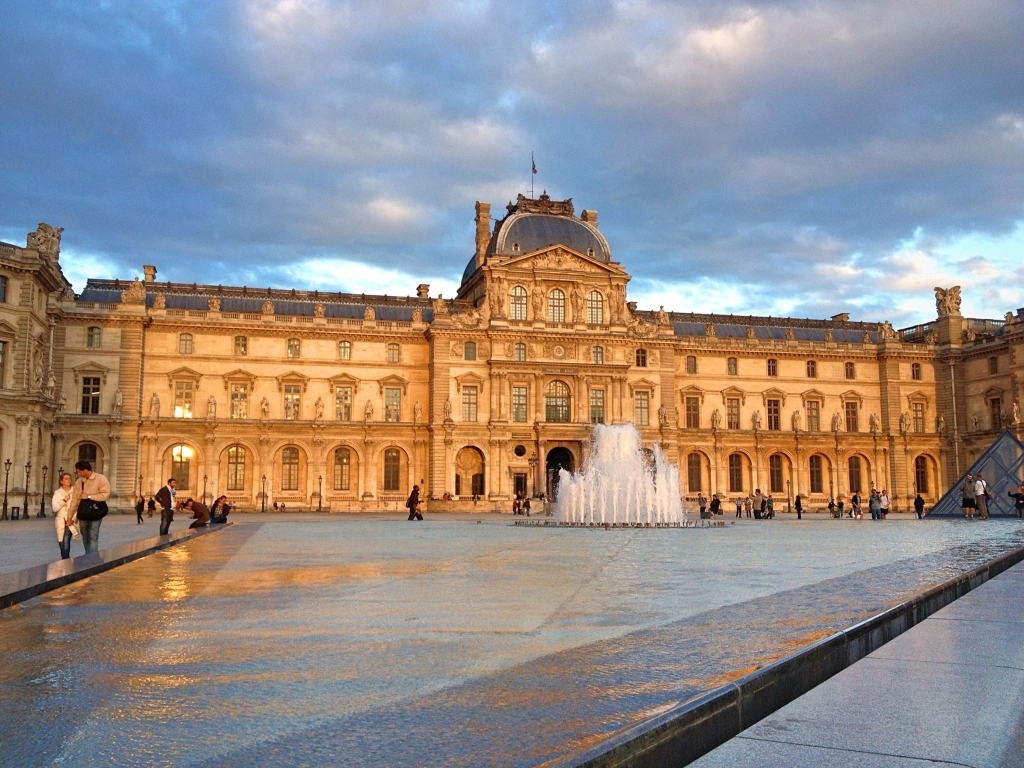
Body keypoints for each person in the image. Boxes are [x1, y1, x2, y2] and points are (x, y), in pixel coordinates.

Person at [68, 460, 110, 554]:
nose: (78, 473)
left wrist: (90, 496)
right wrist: (69, 516)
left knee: (93, 535)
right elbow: (75, 499)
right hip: (83, 512)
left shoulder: (101, 479)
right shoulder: (79, 482)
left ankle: (92, 558)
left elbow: (105, 495)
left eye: (79, 471)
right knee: (85, 535)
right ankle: (88, 554)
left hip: (96, 512)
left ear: (85, 470)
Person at [52, 471, 77, 559]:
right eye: (66, 479)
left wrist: (73, 518)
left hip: (70, 519)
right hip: (60, 520)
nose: (68, 480)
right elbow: (55, 508)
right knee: (61, 541)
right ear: (61, 481)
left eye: (70, 478)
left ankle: (65, 561)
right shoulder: (57, 493)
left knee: (66, 541)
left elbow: (77, 507)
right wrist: (64, 501)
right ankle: (66, 559)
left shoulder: (75, 492)